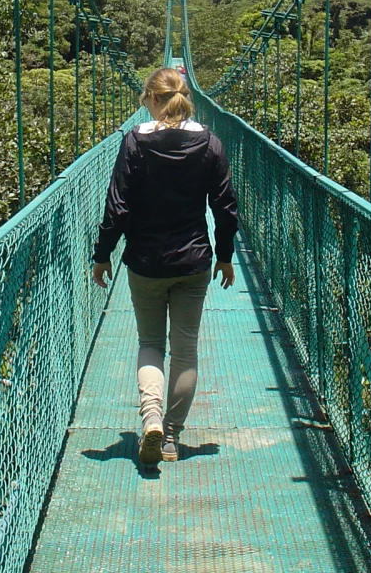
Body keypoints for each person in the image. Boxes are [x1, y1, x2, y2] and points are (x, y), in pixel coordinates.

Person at [91, 67, 239, 465]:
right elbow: (224, 209)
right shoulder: (209, 143)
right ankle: (171, 437)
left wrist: (102, 254)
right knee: (186, 351)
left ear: (151, 99)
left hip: (145, 261)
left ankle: (151, 417)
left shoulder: (135, 142)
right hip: (194, 261)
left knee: (151, 344)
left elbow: (118, 206)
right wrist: (224, 256)